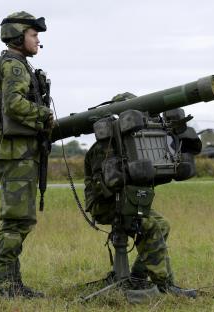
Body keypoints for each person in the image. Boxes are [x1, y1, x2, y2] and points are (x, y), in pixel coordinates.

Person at [83, 94, 197, 298]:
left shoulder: (139, 143)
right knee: (150, 225)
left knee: (162, 224)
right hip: (106, 204)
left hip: (130, 200)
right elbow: (105, 187)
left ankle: (137, 276)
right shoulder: (104, 147)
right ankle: (164, 284)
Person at [0, 11, 53, 299]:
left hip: (16, 150)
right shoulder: (13, 67)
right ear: (18, 35)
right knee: (16, 221)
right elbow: (12, 106)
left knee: (20, 220)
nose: (38, 40)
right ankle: (4, 286)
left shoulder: (6, 64)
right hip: (16, 151)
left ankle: (12, 283)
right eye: (33, 35)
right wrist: (44, 114)